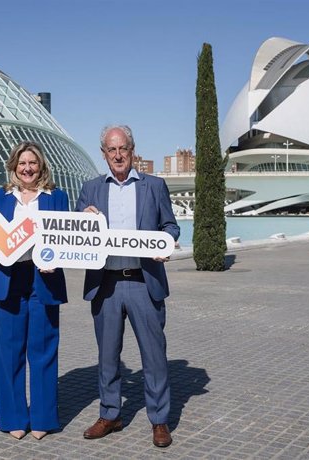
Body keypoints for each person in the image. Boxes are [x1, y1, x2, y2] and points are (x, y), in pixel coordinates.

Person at [75, 125, 180, 448]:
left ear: (133, 151)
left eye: (123, 149)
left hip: (142, 282)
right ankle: (110, 413)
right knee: (107, 357)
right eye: (111, 150)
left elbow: (170, 225)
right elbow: (76, 230)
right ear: (104, 154)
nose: (118, 155)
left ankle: (159, 420)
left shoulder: (154, 186)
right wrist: (83, 217)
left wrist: (167, 243)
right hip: (105, 284)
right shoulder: (90, 189)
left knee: (154, 356)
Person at [0, 141, 68, 441]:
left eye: (33, 163)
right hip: (11, 277)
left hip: (44, 277)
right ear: (13, 166)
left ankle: (43, 418)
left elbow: (66, 237)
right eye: (22, 163)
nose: (27, 168)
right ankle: (14, 417)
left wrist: (54, 260)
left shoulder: (56, 197)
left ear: (41, 165)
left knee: (43, 351)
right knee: (9, 351)